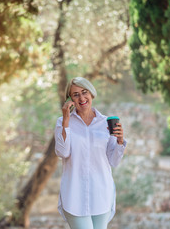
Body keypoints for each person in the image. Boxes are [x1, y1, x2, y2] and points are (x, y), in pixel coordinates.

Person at [54, 77, 127, 229]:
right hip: (74, 195)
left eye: (84, 92)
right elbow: (62, 152)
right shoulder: (62, 122)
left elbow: (113, 161)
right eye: (75, 94)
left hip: (101, 194)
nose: (81, 98)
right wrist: (66, 120)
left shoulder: (106, 122)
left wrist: (120, 141)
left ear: (91, 93)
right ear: (70, 99)